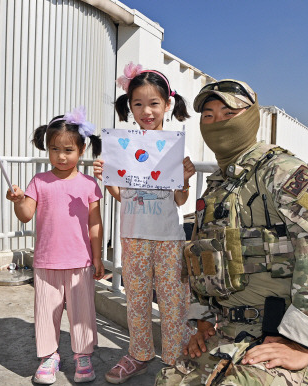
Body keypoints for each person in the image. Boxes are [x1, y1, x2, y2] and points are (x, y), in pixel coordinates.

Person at [156, 80, 308, 385]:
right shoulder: (218, 186)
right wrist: (202, 321)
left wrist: (301, 342)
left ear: (251, 117)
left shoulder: (283, 172)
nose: (216, 122)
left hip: (281, 332)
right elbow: (202, 262)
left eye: (228, 113)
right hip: (227, 330)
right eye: (208, 116)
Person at [93, 63, 196, 384]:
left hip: (169, 237)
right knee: (135, 299)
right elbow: (122, 197)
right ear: (129, 106)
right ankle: (139, 354)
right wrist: (106, 176)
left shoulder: (176, 147)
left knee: (173, 302)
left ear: (168, 104)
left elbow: (180, 201)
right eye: (138, 103)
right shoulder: (122, 146)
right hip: (132, 235)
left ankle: (176, 358)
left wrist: (185, 180)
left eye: (153, 103)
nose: (146, 110)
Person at [6, 106, 105, 384]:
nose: (61, 156)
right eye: (54, 149)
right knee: (46, 312)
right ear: (47, 149)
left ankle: (83, 356)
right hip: (46, 261)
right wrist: (18, 200)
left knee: (82, 313)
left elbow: (95, 225)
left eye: (68, 150)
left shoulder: (89, 185)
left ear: (82, 149)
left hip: (80, 262)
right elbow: (26, 214)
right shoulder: (39, 181)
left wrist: (97, 257)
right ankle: (48, 356)